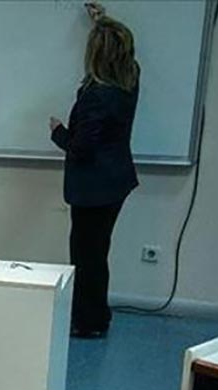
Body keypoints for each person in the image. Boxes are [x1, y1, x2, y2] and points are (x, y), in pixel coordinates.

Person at [50, 3, 140, 339]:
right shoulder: (129, 79)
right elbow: (126, 53)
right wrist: (101, 21)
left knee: (86, 257)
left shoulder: (97, 97)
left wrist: (58, 130)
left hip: (94, 188)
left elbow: (81, 147)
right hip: (114, 182)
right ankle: (97, 315)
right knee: (97, 253)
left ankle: (88, 323)